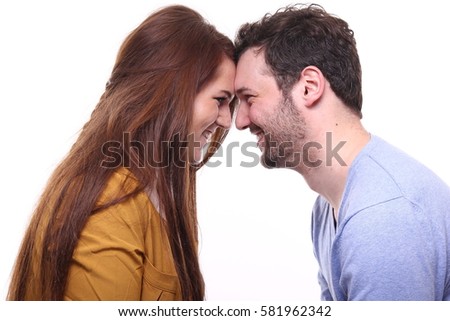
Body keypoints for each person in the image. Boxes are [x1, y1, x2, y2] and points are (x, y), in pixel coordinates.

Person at [7, 5, 236, 301]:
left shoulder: (164, 190)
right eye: (220, 100)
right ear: (170, 92)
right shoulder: (111, 202)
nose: (227, 120)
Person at [233, 3, 450, 300]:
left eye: (249, 98)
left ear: (309, 87)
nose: (240, 121)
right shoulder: (329, 206)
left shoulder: (382, 217)